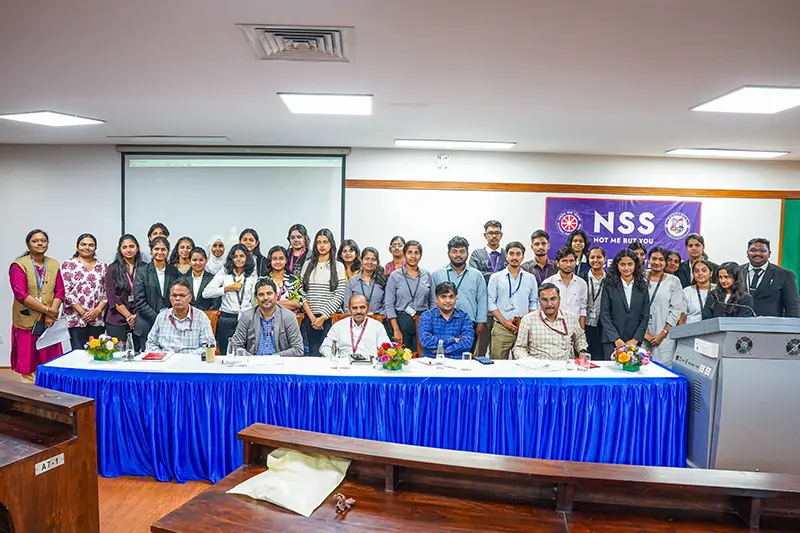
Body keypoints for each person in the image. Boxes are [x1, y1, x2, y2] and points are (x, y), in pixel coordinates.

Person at [8, 229, 64, 381]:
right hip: (27, 320)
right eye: (35, 241)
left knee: (51, 359)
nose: (40, 243)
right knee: (29, 360)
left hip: (49, 322)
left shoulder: (53, 264)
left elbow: (60, 291)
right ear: (28, 245)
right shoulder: (19, 265)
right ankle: (30, 391)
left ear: (47, 244)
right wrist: (48, 311)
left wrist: (51, 313)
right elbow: (21, 295)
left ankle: (50, 391)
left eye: (43, 241)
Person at [432, 237, 488, 350]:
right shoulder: (437, 274)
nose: (458, 255)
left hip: (468, 325)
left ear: (467, 253)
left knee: (466, 357)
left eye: (462, 251)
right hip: (442, 324)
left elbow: (482, 300)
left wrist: (480, 324)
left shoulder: (476, 275)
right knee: (443, 355)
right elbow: (433, 300)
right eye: (454, 251)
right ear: (448, 254)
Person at [487, 241, 539, 359]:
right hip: (501, 327)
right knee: (498, 363)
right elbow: (491, 302)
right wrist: (505, 322)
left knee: (523, 364)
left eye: (518, 254)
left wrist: (525, 322)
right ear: (506, 256)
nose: (514, 257)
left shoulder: (530, 278)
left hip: (523, 329)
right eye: (511, 254)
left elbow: (534, 302)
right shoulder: (496, 277)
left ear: (523, 257)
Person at [202, 244, 258, 354]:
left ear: (247, 257)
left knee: (246, 352)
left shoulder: (252, 274)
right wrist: (227, 288)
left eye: (242, 256)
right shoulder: (224, 272)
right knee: (225, 352)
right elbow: (206, 293)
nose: (238, 259)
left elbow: (253, 299)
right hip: (227, 318)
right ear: (231, 258)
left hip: (246, 318)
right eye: (235, 256)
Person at [512, 283, 589, 361]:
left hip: (564, 365)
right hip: (537, 365)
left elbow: (580, 338)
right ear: (539, 301)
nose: (549, 304)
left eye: (553, 299)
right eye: (544, 300)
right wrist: (528, 361)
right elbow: (519, 348)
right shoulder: (528, 320)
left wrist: (582, 351)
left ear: (559, 299)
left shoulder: (571, 318)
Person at [301, 228, 346, 355]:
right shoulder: (307, 265)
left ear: (331, 244)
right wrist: (312, 317)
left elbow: (339, 294)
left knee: (328, 354)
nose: (321, 245)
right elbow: (301, 293)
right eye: (319, 242)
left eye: (325, 242)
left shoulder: (338, 266)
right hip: (309, 318)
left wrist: (323, 317)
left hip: (329, 318)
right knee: (312, 354)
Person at [230, 278, 304, 356]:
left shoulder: (288, 317)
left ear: (276, 295)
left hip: (279, 361)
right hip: (253, 361)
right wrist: (252, 358)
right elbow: (235, 345)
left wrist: (272, 359)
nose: (265, 298)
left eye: (269, 293)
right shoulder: (247, 316)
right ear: (256, 298)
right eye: (261, 294)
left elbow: (298, 349)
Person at [385, 240, 436, 351]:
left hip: (423, 321)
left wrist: (432, 325)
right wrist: (396, 329)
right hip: (402, 321)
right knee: (403, 356)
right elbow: (389, 304)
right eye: (409, 252)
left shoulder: (427, 275)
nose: (413, 256)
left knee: (423, 355)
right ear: (404, 254)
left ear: (420, 256)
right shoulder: (395, 276)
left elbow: (433, 302)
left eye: (416, 253)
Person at [600, 249, 650, 359]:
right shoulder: (609, 285)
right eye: (622, 264)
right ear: (617, 265)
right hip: (611, 341)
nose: (626, 268)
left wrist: (635, 339)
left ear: (635, 265)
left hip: (633, 341)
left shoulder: (642, 286)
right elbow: (604, 314)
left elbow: (645, 316)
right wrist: (616, 339)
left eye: (630, 264)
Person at [61, 233, 108, 350]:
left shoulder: (103, 266)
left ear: (95, 248)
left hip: (97, 317)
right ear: (77, 247)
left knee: (97, 352)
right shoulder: (68, 265)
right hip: (75, 318)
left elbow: (107, 291)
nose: (87, 247)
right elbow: (66, 292)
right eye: (83, 244)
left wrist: (97, 310)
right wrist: (82, 312)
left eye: (91, 245)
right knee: (78, 353)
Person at [144, 279, 214, 354]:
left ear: (190, 297)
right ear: (169, 297)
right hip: (167, 359)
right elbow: (150, 344)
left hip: (191, 359)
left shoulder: (201, 317)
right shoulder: (161, 317)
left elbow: (209, 346)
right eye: (174, 295)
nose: (177, 299)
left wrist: (185, 358)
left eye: (182, 295)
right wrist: (162, 355)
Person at [642, 247, 686, 366]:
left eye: (661, 259)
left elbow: (676, 309)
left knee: (663, 369)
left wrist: (663, 333)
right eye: (654, 259)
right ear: (648, 260)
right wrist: (643, 334)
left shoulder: (674, 281)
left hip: (664, 335)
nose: (657, 262)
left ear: (666, 262)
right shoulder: (640, 278)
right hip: (640, 334)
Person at [469, 220, 506, 356]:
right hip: (482, 309)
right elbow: (476, 276)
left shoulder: (508, 254)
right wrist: (499, 276)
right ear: (485, 235)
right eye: (490, 233)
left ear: (501, 235)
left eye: (497, 233)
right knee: (480, 351)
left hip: (502, 311)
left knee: (499, 353)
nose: (494, 236)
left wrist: (487, 275)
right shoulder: (477, 254)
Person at [134, 236, 181, 342]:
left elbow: (176, 295)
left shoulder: (173, 271)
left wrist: (168, 317)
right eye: (156, 249)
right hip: (147, 324)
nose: (160, 252)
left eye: (163, 249)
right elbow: (139, 301)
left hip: (170, 323)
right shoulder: (142, 272)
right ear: (151, 251)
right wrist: (158, 318)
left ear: (168, 251)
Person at [105, 234, 146, 351]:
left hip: (140, 318)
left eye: (131, 246)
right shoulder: (112, 268)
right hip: (117, 319)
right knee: (118, 354)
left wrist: (137, 316)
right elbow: (112, 295)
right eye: (125, 247)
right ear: (120, 249)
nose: (128, 250)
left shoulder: (146, 268)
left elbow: (149, 295)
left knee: (139, 354)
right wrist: (129, 316)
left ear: (137, 247)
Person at [742, 238, 800, 317]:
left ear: (769, 253)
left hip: (771, 324)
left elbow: (792, 307)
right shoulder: (737, 272)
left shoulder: (785, 275)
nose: (757, 253)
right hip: (739, 322)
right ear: (747, 253)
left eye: (762, 250)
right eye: (753, 250)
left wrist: (791, 324)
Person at [320, 294, 391, 357]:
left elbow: (387, 348)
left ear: (368, 308)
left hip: (370, 365)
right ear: (349, 309)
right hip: (344, 365)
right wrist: (336, 358)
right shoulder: (338, 326)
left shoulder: (377, 326)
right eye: (354, 308)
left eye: (362, 307)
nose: (358, 311)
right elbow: (325, 347)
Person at [418, 282, 474, 358]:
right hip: (432, 361)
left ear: (456, 298)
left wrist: (444, 350)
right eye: (443, 297)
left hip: (457, 362)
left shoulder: (464, 317)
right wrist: (453, 340)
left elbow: (467, 343)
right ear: (436, 299)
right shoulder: (427, 316)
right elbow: (426, 341)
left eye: (451, 297)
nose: (448, 301)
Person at [543, 247, 588, 329]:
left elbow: (582, 309)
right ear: (557, 263)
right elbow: (543, 308)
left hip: (574, 328)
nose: (568, 264)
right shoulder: (548, 282)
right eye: (564, 261)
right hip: (553, 328)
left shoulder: (582, 283)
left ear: (576, 262)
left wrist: (581, 331)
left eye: (571, 261)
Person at [344, 247, 387, 314]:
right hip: (356, 318)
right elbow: (347, 307)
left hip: (379, 318)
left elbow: (387, 305)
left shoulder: (383, 281)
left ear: (377, 262)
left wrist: (379, 317)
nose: (370, 262)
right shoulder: (352, 281)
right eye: (367, 259)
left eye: (373, 259)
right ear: (361, 260)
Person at [265, 245, 305, 313]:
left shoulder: (295, 280)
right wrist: (287, 303)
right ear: (270, 261)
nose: (278, 262)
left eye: (281, 258)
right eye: (274, 259)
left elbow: (298, 303)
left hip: (288, 318)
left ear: (286, 260)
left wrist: (272, 303)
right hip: (267, 318)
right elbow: (259, 303)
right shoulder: (263, 281)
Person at [582, 246, 606, 358]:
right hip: (584, 324)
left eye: (599, 257)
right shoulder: (581, 278)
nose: (595, 260)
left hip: (602, 326)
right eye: (592, 257)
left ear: (604, 259)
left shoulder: (611, 279)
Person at [682, 259, 714, 324]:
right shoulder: (686, 291)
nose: (700, 273)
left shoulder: (717, 290)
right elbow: (682, 318)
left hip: (713, 327)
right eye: (696, 271)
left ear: (711, 273)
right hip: (691, 328)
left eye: (704, 270)